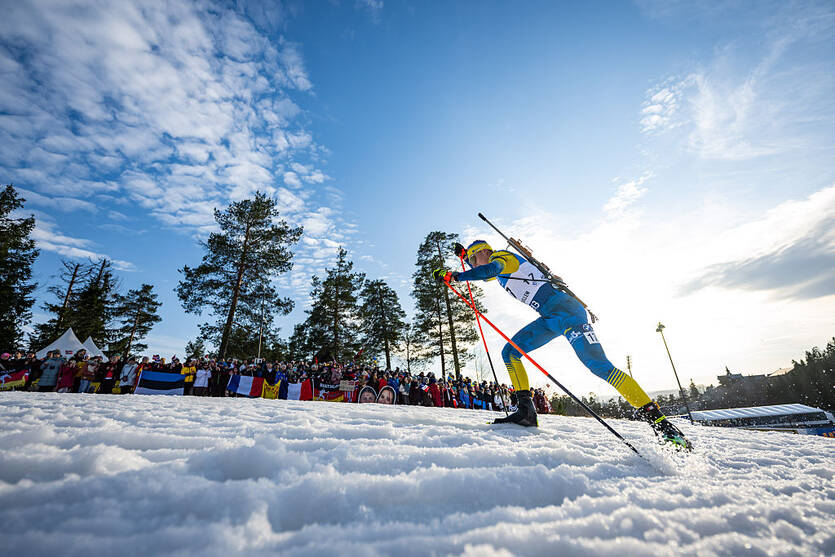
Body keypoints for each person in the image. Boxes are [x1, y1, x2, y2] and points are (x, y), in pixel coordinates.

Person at [432, 239, 692, 450]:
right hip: (549, 318)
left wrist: (455, 275)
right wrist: (463, 255)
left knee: (599, 367)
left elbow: (488, 270)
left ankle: (660, 423)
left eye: (472, 258)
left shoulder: (503, 258)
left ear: (484, 252)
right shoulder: (493, 267)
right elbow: (484, 271)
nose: (470, 263)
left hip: (567, 312)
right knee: (511, 352)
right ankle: (526, 411)